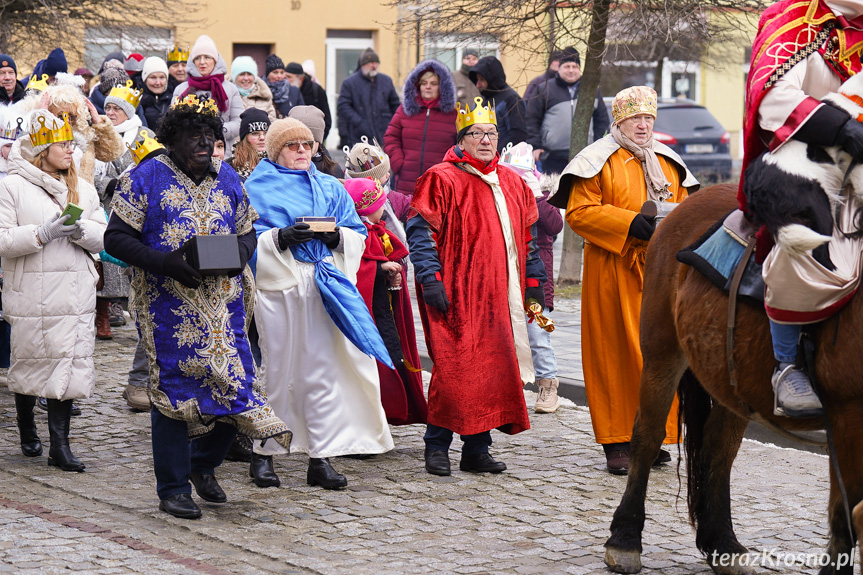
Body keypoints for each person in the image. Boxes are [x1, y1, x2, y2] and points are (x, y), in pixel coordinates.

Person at [104, 94, 291, 519]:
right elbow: (114, 239)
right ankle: (172, 488)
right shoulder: (146, 175)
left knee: (236, 386)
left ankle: (202, 466)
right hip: (167, 306)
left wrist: (240, 255)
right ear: (174, 138)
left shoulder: (227, 178)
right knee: (173, 394)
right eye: (194, 135)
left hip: (225, 305)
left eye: (210, 135)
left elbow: (248, 231)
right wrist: (166, 263)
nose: (205, 143)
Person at [548, 86, 698, 474]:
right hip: (613, 271)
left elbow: (684, 208)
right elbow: (579, 213)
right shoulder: (598, 160)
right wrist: (631, 223)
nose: (644, 126)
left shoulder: (667, 162)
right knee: (615, 353)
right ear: (620, 122)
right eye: (636, 119)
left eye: (649, 119)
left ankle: (654, 435)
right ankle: (617, 441)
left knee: (660, 353)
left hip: (661, 272)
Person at [244, 118, 394, 490]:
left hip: (326, 281)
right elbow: (246, 237)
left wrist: (337, 240)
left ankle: (321, 456)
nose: (301, 152)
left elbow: (357, 233)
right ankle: (264, 453)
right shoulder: (256, 187)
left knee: (324, 371)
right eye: (292, 146)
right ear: (277, 149)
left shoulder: (330, 186)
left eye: (307, 145)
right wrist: (279, 238)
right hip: (281, 284)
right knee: (278, 369)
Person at [406, 97, 544, 476]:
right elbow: (420, 233)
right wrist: (430, 278)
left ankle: (476, 450)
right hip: (455, 293)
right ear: (462, 139)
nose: (485, 140)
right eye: (477, 133)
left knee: (492, 369)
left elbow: (527, 239)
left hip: (500, 296)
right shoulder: (441, 177)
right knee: (454, 370)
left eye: (492, 133)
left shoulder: (513, 183)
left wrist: (534, 283)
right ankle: (436, 446)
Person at [739, 0, 863, 418]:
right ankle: (786, 365)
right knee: (806, 251)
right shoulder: (794, 17)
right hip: (806, 162)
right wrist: (841, 128)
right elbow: (771, 96)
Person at [0, 110, 107, 472]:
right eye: (62, 144)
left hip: (75, 289)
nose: (69, 150)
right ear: (42, 149)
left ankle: (60, 445)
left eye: (71, 143)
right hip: (32, 288)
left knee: (69, 361)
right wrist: (43, 233)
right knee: (30, 359)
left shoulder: (84, 187)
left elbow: (104, 235)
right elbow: (2, 239)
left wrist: (80, 233)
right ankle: (27, 425)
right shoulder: (11, 186)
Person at [345, 177, 428, 426]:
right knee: (375, 365)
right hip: (372, 315)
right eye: (381, 204)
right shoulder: (359, 234)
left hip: (384, 309)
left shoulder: (378, 232)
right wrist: (379, 266)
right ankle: (370, 421)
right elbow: (358, 267)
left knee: (392, 358)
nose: (385, 208)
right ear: (369, 208)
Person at [499, 142, 564, 413]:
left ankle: (548, 385)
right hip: (508, 278)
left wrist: (537, 196)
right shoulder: (501, 195)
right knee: (506, 335)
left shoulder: (543, 197)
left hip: (539, 282)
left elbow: (555, 225)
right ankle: (505, 389)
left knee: (538, 334)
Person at [93, 80, 145, 337]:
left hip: (133, 204)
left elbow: (148, 166)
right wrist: (107, 184)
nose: (111, 113)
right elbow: (86, 171)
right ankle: (103, 314)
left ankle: (134, 309)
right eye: (108, 108)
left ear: (129, 112)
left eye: (117, 109)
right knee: (105, 260)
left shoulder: (142, 135)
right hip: (104, 202)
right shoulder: (96, 134)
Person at [384, 59, 458, 221]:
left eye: (433, 83)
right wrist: (398, 163)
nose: (428, 87)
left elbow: (460, 146)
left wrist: (449, 171)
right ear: (417, 86)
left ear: (442, 87)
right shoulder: (405, 110)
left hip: (438, 184)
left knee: (434, 229)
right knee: (407, 227)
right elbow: (390, 137)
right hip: (406, 182)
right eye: (424, 83)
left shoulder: (453, 114)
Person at [526, 47, 610, 174]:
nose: (571, 70)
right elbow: (532, 120)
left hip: (585, 156)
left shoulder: (591, 91)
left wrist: (598, 146)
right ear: (559, 68)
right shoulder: (544, 89)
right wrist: (536, 146)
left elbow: (602, 121)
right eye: (567, 66)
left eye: (574, 66)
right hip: (551, 157)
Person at [22, 83, 125, 186]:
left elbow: (113, 153)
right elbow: (28, 158)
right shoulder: (37, 136)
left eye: (71, 116)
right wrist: (41, 121)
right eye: (61, 116)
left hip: (83, 198)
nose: (66, 121)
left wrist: (99, 123)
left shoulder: (84, 134)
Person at [172, 35, 244, 150]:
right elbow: (173, 122)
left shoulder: (230, 89)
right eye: (197, 58)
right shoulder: (181, 90)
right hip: (190, 152)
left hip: (222, 152)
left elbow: (239, 122)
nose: (202, 62)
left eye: (207, 57)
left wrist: (215, 130)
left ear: (215, 60)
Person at [336, 48, 400, 148]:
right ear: (363, 65)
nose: (374, 66)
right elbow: (343, 107)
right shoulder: (350, 83)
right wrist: (359, 122)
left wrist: (393, 124)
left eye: (376, 63)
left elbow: (395, 105)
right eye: (371, 63)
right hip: (360, 137)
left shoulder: (386, 81)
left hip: (385, 135)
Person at [469, 56, 528, 151]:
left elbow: (517, 135)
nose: (478, 84)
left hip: (500, 160)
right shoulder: (480, 101)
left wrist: (493, 153)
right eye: (477, 80)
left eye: (482, 80)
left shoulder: (512, 100)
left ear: (492, 79)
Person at [288, 105, 342, 178]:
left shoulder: (331, 170)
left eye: (308, 143)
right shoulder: (282, 165)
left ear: (318, 142)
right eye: (294, 143)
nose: (301, 149)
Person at [284, 62, 331, 141]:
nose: (286, 80)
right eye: (285, 77)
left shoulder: (316, 90)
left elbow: (326, 118)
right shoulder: (284, 91)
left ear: (300, 78)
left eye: (289, 77)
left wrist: (318, 140)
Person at [227, 108, 270, 181]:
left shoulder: (279, 162)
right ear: (245, 138)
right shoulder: (229, 166)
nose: (262, 138)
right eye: (255, 133)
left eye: (265, 133)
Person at [230, 56, 276, 121]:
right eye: (242, 74)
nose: (246, 78)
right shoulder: (226, 94)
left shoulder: (264, 96)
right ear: (234, 76)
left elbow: (272, 122)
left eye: (249, 74)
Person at [263, 55, 304, 119]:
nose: (279, 76)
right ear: (268, 75)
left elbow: (302, 114)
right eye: (275, 72)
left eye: (282, 72)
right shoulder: (260, 90)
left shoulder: (294, 91)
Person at [139, 57, 172, 130]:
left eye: (162, 77)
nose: (158, 82)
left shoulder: (174, 98)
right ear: (145, 79)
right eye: (153, 78)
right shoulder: (136, 99)